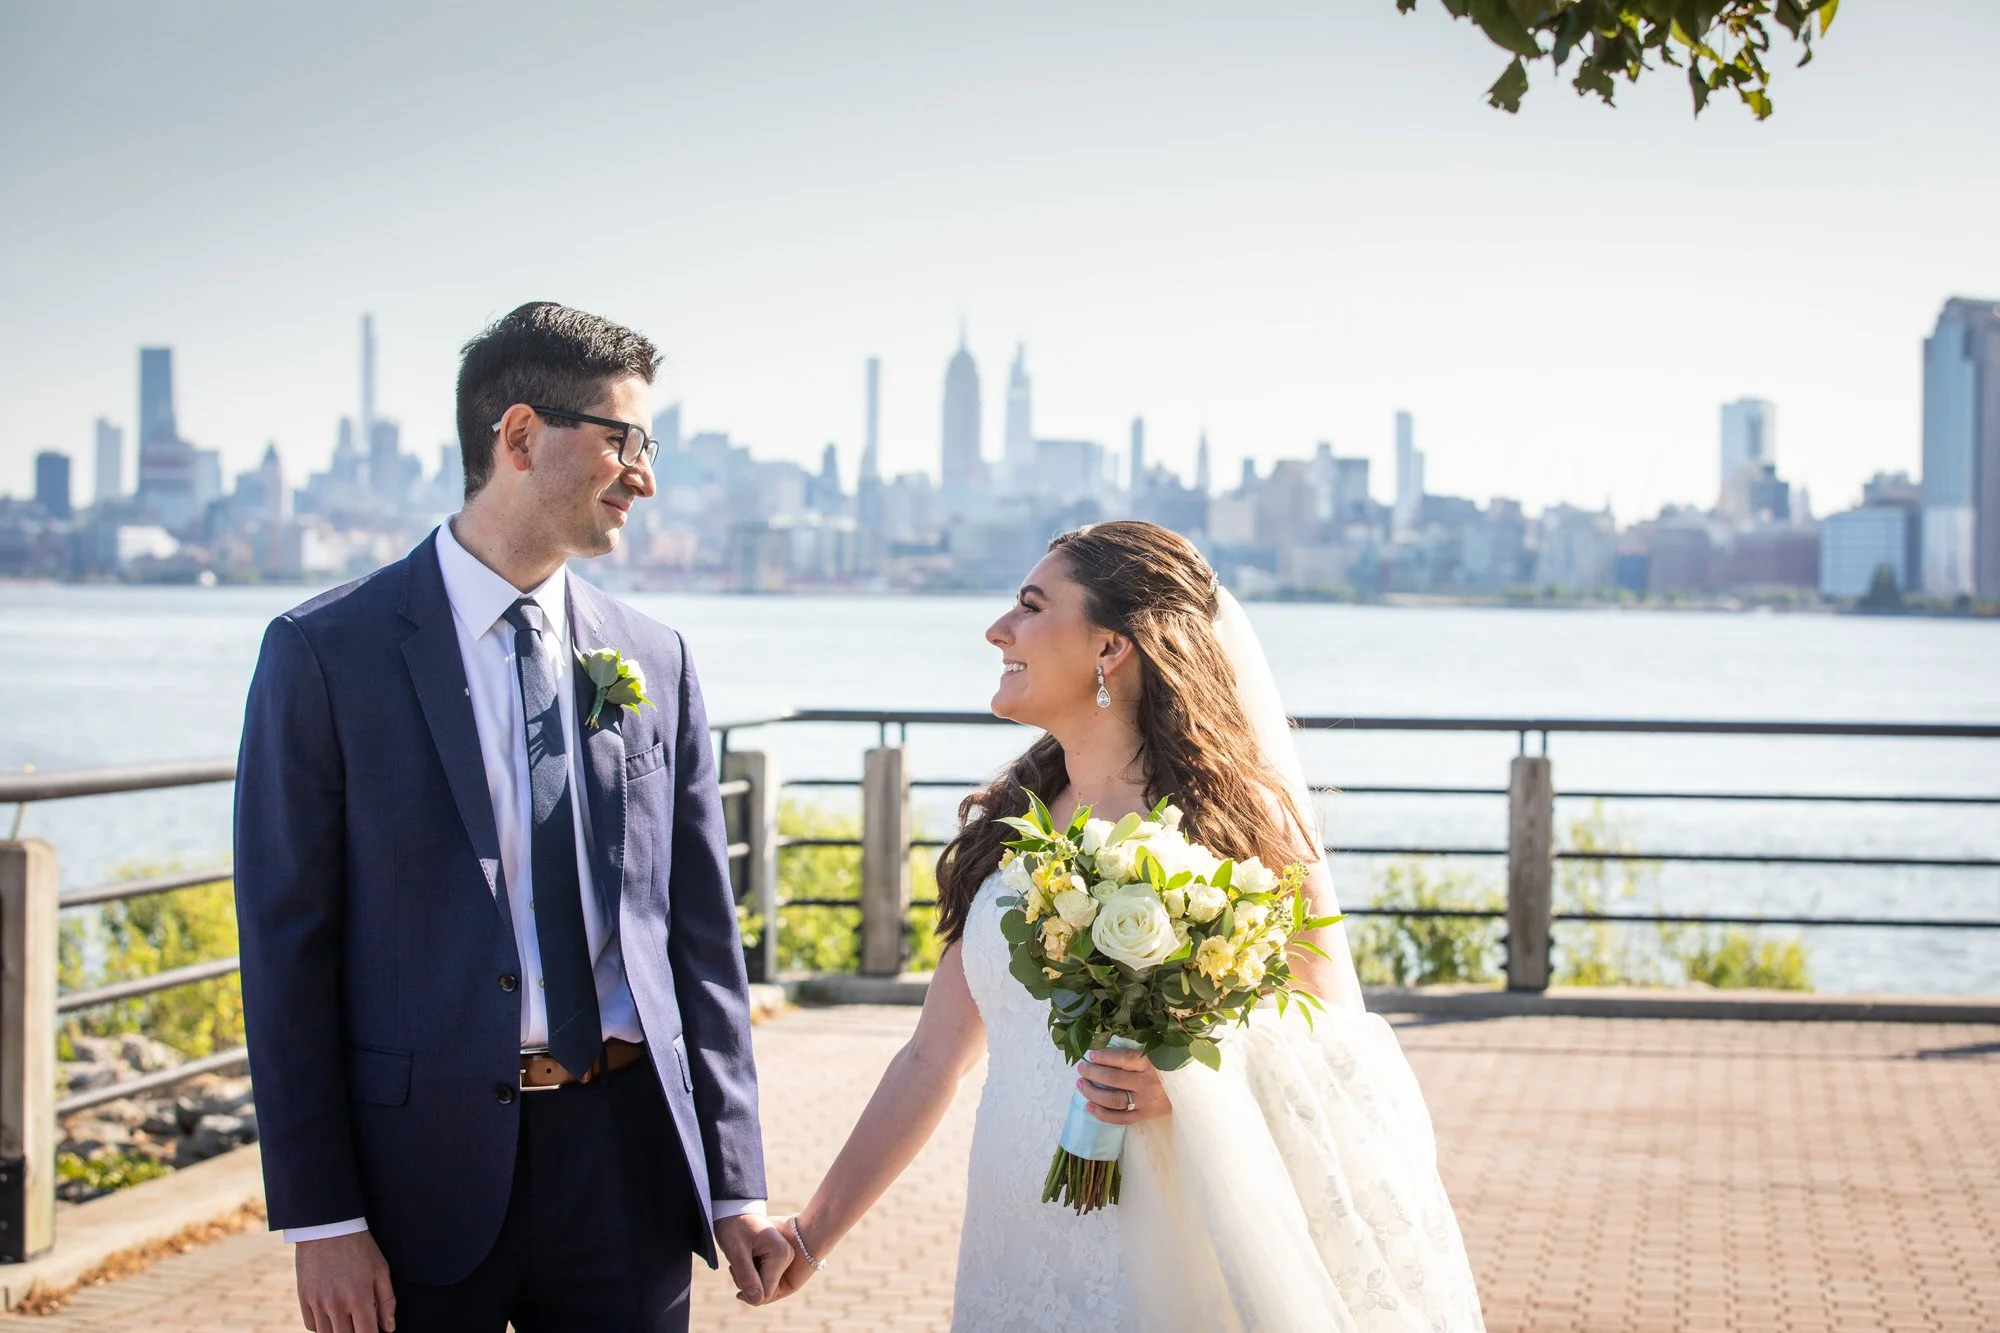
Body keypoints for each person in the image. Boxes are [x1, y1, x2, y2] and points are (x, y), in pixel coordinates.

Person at [768, 520, 1484, 1330]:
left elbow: (1330, 1036)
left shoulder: (1236, 831)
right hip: (1016, 1226)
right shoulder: (1015, 820)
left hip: (1162, 1236)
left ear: (1110, 649)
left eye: (1031, 607)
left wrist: (1193, 1076)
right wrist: (811, 1230)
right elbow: (934, 1054)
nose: (996, 630)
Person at [233, 302, 792, 1333]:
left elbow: (702, 944)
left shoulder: (655, 658)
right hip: (417, 1180)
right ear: (522, 436)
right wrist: (322, 1218)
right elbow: (285, 953)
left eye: (648, 445)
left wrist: (733, 1181)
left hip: (629, 1163)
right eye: (622, 441)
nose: (645, 478)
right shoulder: (324, 654)